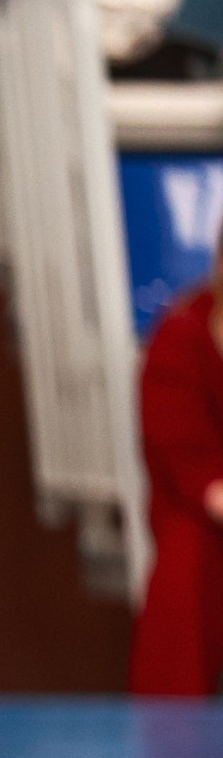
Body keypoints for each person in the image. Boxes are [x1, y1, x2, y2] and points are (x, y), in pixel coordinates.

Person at [131, 275, 223, 695]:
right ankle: (175, 745)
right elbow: (192, 471)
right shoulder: (179, 339)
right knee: (188, 556)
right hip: (200, 526)